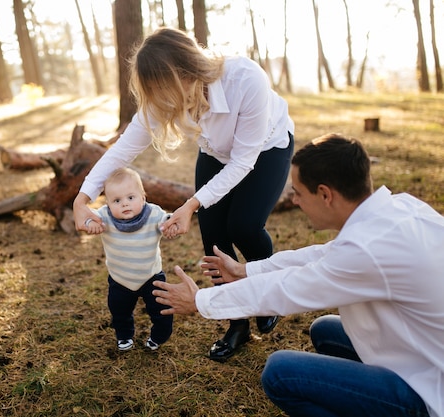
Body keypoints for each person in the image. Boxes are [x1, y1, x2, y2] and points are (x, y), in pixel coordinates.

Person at [152, 133, 444, 417]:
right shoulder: (399, 208)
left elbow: (286, 290)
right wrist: (246, 270)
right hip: (424, 350)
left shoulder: (366, 250)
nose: (294, 201)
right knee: (325, 330)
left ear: (325, 194)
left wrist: (200, 301)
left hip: (431, 391)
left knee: (281, 373)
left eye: (298, 193)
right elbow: (322, 255)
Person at [73, 27, 295, 362]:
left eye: (166, 91)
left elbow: (243, 161)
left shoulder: (246, 79)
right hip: (216, 153)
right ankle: (236, 325)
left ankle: (265, 293)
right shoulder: (162, 98)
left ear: (188, 73)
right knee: (215, 239)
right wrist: (82, 197)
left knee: (244, 226)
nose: (162, 103)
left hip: (265, 149)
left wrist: (192, 204)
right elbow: (121, 151)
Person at [83, 167, 172, 352]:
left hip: (151, 276)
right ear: (107, 203)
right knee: (119, 311)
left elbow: (166, 220)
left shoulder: (154, 214)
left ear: (143, 197)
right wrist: (90, 224)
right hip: (120, 279)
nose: (124, 204)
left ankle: (158, 336)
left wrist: (171, 224)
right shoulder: (104, 216)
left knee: (161, 310)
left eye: (130, 198)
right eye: (117, 200)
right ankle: (124, 336)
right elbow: (89, 217)